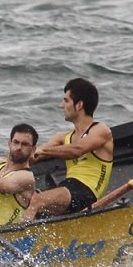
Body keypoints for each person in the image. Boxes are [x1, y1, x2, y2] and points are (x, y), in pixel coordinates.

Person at [27, 77, 115, 219]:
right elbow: (31, 156)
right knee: (24, 200)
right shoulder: (63, 138)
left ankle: (20, 233)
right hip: (68, 188)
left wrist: (43, 151)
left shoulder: (101, 130)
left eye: (66, 100)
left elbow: (77, 150)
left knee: (36, 201)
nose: (61, 105)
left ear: (79, 105)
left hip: (88, 192)